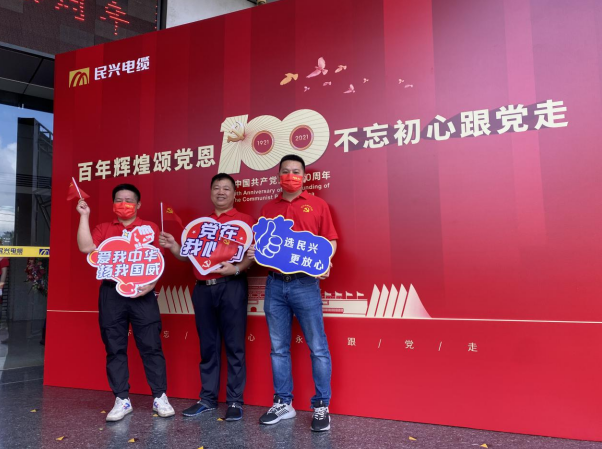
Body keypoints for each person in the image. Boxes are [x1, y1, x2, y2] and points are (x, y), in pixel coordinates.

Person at [249, 154, 338, 432]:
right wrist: (255, 252)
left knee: (318, 347)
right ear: (278, 177)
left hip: (305, 284)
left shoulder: (318, 205)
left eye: (296, 171)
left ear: (304, 176)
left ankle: (321, 405)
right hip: (275, 284)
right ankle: (283, 403)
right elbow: (263, 245)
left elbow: (330, 240)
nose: (291, 176)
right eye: (285, 171)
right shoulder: (268, 208)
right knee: (278, 348)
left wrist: (326, 261)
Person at [76, 183, 175, 422]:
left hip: (142, 293)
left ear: (138, 204)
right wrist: (84, 216)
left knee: (151, 346)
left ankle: (160, 396)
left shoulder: (149, 228)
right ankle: (122, 399)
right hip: (111, 293)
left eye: (129, 200)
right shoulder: (104, 228)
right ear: (113, 204)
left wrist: (151, 285)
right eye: (119, 200)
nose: (124, 204)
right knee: (114, 347)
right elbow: (86, 247)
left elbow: (157, 260)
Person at [159, 173, 254, 421]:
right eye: (216, 188)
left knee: (234, 345)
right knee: (208, 346)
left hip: (231, 286)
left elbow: (252, 256)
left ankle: (235, 401)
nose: (221, 192)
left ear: (235, 194)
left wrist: (236, 269)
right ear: (211, 192)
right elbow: (187, 256)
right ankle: (208, 399)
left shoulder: (246, 221)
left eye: (226, 188)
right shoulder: (200, 224)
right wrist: (173, 246)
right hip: (202, 289)